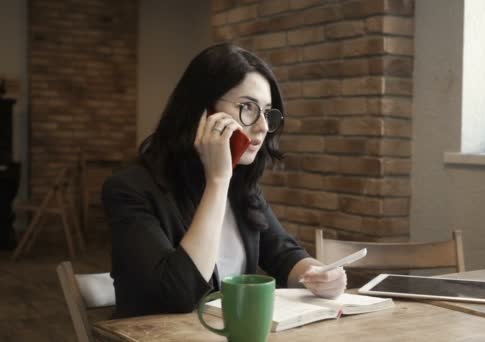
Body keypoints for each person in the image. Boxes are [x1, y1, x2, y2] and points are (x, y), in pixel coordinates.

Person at [102, 43, 347, 318]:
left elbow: (282, 253)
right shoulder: (130, 189)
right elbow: (176, 295)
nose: (263, 127)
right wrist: (217, 181)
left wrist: (317, 275)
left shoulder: (243, 188)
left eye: (267, 112)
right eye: (248, 108)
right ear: (202, 112)